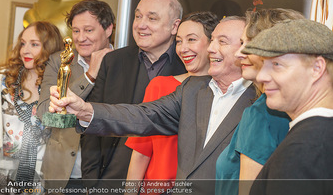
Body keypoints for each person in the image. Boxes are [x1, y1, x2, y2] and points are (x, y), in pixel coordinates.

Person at [48, 16, 256, 195]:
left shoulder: (260, 101)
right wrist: (85, 110)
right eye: (212, 41)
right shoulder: (192, 89)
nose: (211, 49)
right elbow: (142, 116)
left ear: (247, 49)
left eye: (222, 42)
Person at [80, 0, 187, 190]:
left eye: (152, 18)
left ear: (174, 26)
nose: (140, 24)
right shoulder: (114, 62)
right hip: (110, 180)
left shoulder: (189, 70)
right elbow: (92, 126)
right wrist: (92, 183)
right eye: (138, 16)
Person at [124, 11, 219, 195]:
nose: (183, 48)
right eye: (179, 41)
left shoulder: (226, 92)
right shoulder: (160, 86)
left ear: (212, 44)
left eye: (191, 40)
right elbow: (140, 152)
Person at [214, 8, 305, 195]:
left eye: (251, 43)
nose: (239, 53)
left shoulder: (262, 113)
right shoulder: (296, 106)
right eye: (241, 43)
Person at [241, 19, 333, 195]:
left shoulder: (303, 150)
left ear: (317, 68)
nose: (261, 76)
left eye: (276, 65)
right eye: (262, 64)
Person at [36, 0, 115, 191]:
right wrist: (89, 76)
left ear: (108, 30)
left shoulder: (125, 63)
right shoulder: (59, 62)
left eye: (88, 30)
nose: (80, 38)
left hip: (108, 173)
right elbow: (44, 112)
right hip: (61, 174)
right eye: (76, 31)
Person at [0, 21, 62, 184]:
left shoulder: (61, 87)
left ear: (50, 48)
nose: (25, 50)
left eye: (34, 44)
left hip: (41, 176)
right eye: (23, 43)